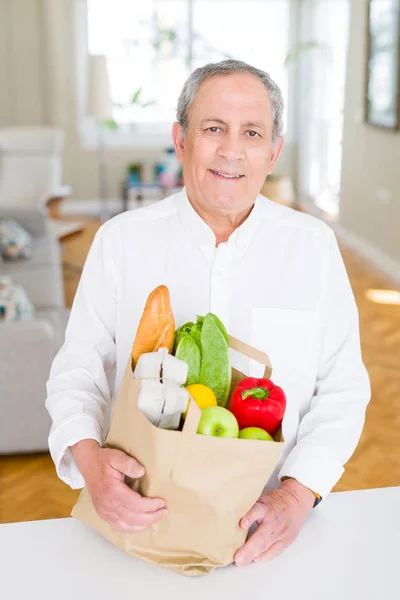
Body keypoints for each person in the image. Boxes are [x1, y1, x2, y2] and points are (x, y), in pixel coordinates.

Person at [45, 59, 371, 567]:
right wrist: (88, 459)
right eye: (213, 128)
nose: (231, 150)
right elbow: (76, 369)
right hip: (135, 525)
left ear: (273, 151)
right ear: (181, 140)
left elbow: (344, 388)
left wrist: (295, 496)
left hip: (273, 533)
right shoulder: (120, 242)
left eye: (252, 132)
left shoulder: (314, 248)